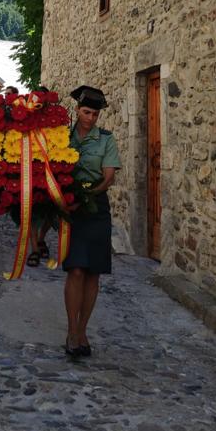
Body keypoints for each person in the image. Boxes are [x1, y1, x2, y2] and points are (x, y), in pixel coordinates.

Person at [64, 85, 121, 359]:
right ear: (77, 110)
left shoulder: (106, 140)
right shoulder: (62, 137)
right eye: (86, 112)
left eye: (95, 114)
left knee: (93, 272)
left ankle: (83, 329)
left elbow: (108, 176)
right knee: (75, 269)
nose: (91, 118)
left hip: (96, 207)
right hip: (70, 209)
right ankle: (71, 330)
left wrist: (86, 195)